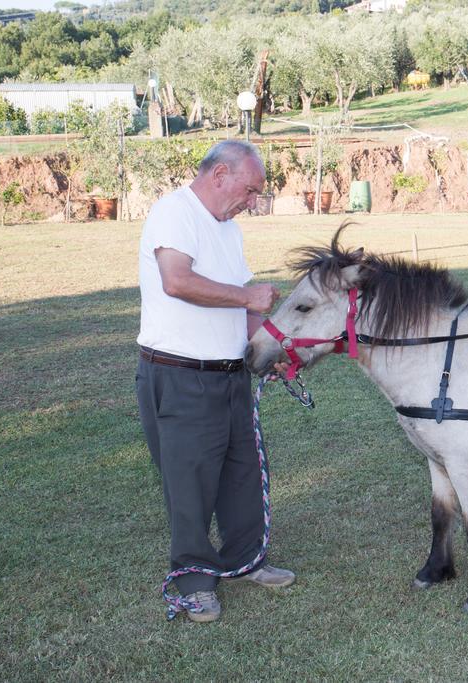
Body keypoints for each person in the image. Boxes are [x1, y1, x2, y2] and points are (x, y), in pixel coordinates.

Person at [135, 140, 292, 623]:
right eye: (250, 190)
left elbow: (247, 306)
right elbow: (177, 281)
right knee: (191, 483)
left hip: (230, 375)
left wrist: (271, 349)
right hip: (181, 375)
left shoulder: (230, 230)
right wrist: (247, 295)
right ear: (219, 174)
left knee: (241, 473)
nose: (252, 201)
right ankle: (194, 581)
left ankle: (245, 560)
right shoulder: (174, 212)